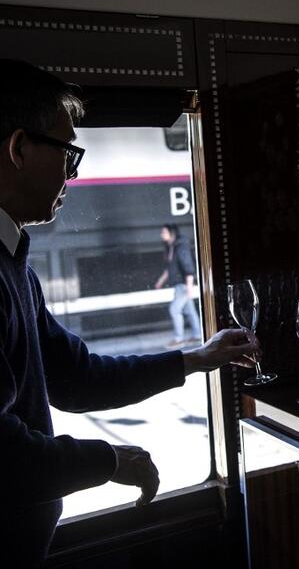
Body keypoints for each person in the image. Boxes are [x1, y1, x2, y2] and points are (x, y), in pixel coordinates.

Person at [0, 58, 261, 567]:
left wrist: (196, 358)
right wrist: (109, 459)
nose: (73, 174)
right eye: (68, 153)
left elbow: (77, 379)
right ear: (18, 148)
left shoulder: (14, 266)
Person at [155, 223, 203, 347]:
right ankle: (197, 335)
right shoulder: (171, 246)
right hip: (179, 285)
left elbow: (188, 267)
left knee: (174, 309)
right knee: (190, 310)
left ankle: (178, 339)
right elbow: (169, 268)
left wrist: (189, 287)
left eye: (164, 232)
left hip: (184, 285)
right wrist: (160, 281)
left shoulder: (180, 247)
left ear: (172, 233)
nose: (162, 235)